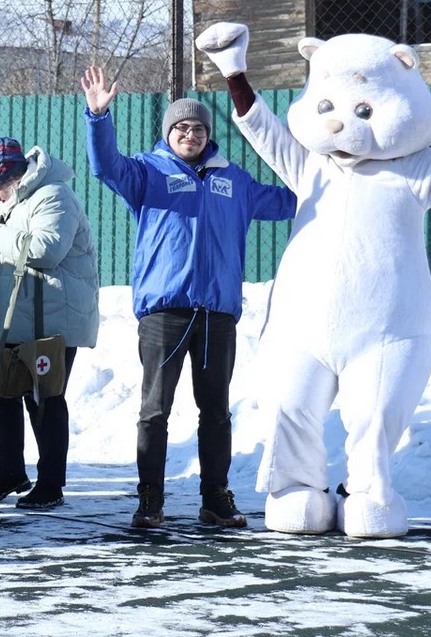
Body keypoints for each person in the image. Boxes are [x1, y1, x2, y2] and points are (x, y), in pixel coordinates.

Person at [81, 65, 296, 529]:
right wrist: (98, 117)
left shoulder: (234, 180)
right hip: (165, 313)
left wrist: (333, 172)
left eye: (198, 128)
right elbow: (105, 166)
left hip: (217, 314)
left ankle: (215, 498)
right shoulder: (147, 172)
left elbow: (290, 202)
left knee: (216, 413)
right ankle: (150, 499)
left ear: (208, 135)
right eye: (181, 127)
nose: (190, 134)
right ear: (168, 133)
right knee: (154, 411)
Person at [0, 137, 99, 511]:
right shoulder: (17, 201)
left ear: (13, 177)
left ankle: (51, 484)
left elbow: (45, 250)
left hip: (52, 320)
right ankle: (10, 472)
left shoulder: (53, 195)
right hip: (20, 318)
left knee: (44, 399)